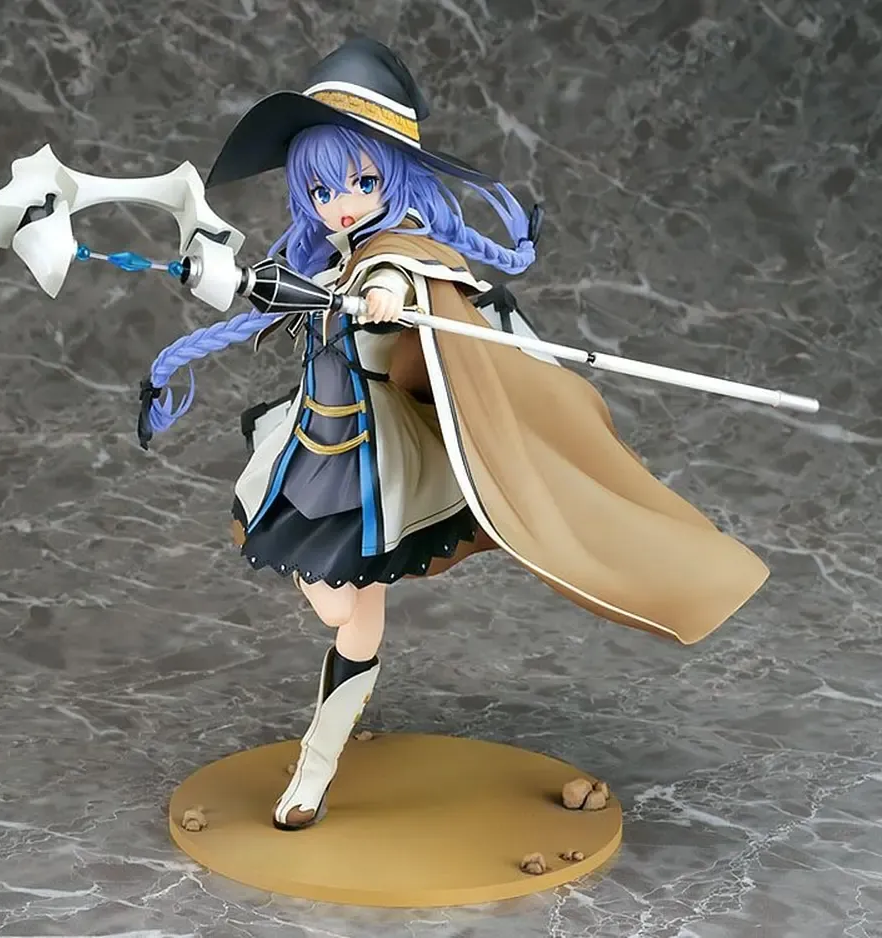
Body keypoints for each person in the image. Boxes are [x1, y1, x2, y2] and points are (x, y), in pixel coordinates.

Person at [142, 36, 769, 831]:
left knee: (352, 616)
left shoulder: (401, 254)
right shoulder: (324, 257)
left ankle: (315, 767)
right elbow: (273, 294)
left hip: (384, 458)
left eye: (362, 182)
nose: (342, 202)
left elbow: (408, 275)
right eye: (323, 188)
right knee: (340, 607)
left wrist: (384, 291)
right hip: (320, 441)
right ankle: (320, 756)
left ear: (393, 178)